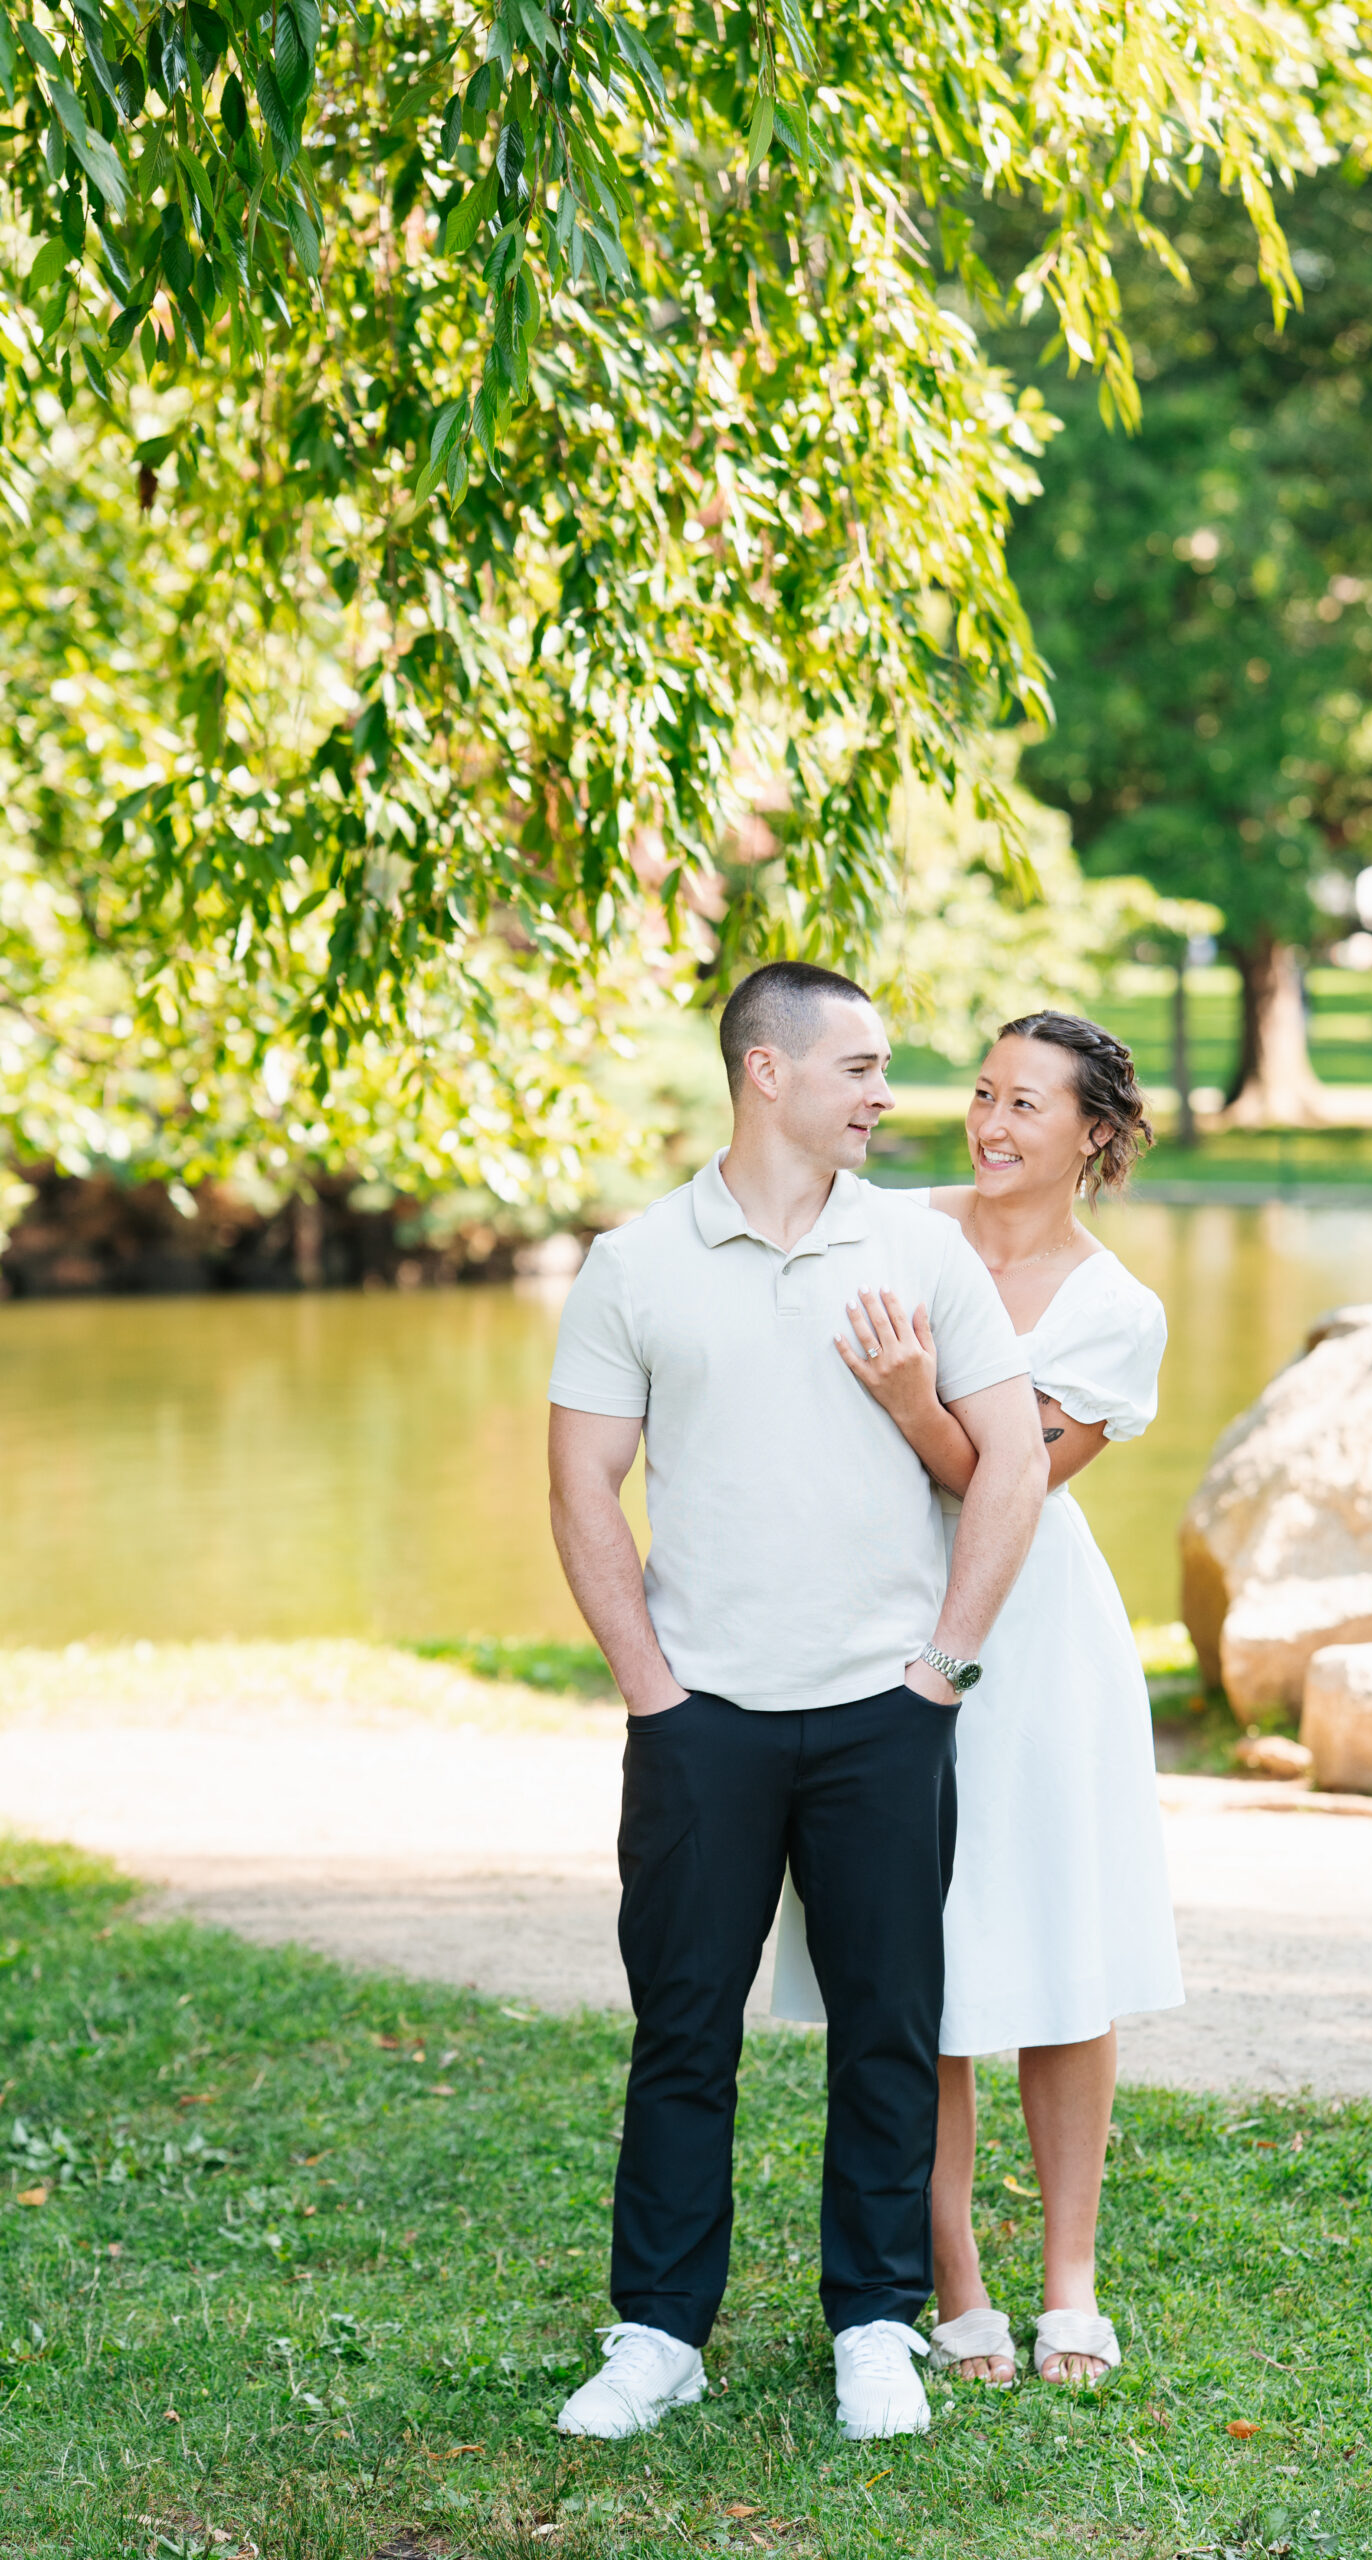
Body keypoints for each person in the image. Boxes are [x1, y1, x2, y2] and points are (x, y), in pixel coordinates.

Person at [546, 961, 1048, 2445]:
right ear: (767, 1074)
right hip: (702, 1719)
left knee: (888, 2023)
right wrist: (652, 1688)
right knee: (683, 2024)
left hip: (883, 1714)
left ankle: (874, 2328)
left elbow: (1009, 1463)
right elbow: (584, 1481)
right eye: (861, 1068)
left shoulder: (922, 1250)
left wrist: (941, 1668)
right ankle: (658, 2334)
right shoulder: (636, 1262)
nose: (890, 1096)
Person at [773, 1009, 1182, 2389]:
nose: (993, 1126)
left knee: (1063, 1957)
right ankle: (956, 2288)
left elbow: (994, 1478)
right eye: (985, 1094)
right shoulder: (891, 1230)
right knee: (914, 1957)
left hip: (1036, 1639)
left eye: (1029, 1106)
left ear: (1095, 1135)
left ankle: (1071, 2286)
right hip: (875, 1621)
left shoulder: (1118, 1312)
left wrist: (904, 1393)